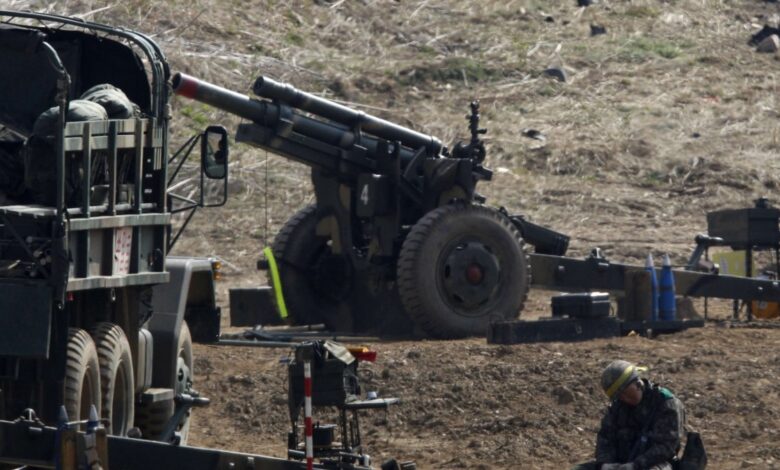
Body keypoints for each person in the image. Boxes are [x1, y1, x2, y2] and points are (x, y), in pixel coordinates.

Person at [573, 360, 685, 470]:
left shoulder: (665, 403)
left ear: (637, 383)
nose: (624, 399)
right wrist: (605, 465)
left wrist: (635, 465)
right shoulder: (617, 408)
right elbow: (605, 439)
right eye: (619, 396)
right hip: (622, 464)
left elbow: (666, 446)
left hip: (654, 464)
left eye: (625, 392)